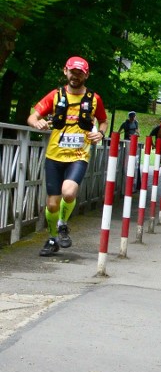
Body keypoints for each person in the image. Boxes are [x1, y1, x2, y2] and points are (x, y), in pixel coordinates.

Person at [27, 56, 107, 256]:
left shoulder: (94, 98)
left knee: (69, 192)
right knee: (52, 203)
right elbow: (32, 116)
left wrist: (101, 132)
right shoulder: (55, 95)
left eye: (80, 73)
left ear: (86, 75)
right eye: (73, 72)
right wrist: (36, 123)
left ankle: (63, 225)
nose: (75, 76)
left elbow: (103, 121)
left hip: (79, 155)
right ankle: (53, 238)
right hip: (54, 155)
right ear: (66, 71)